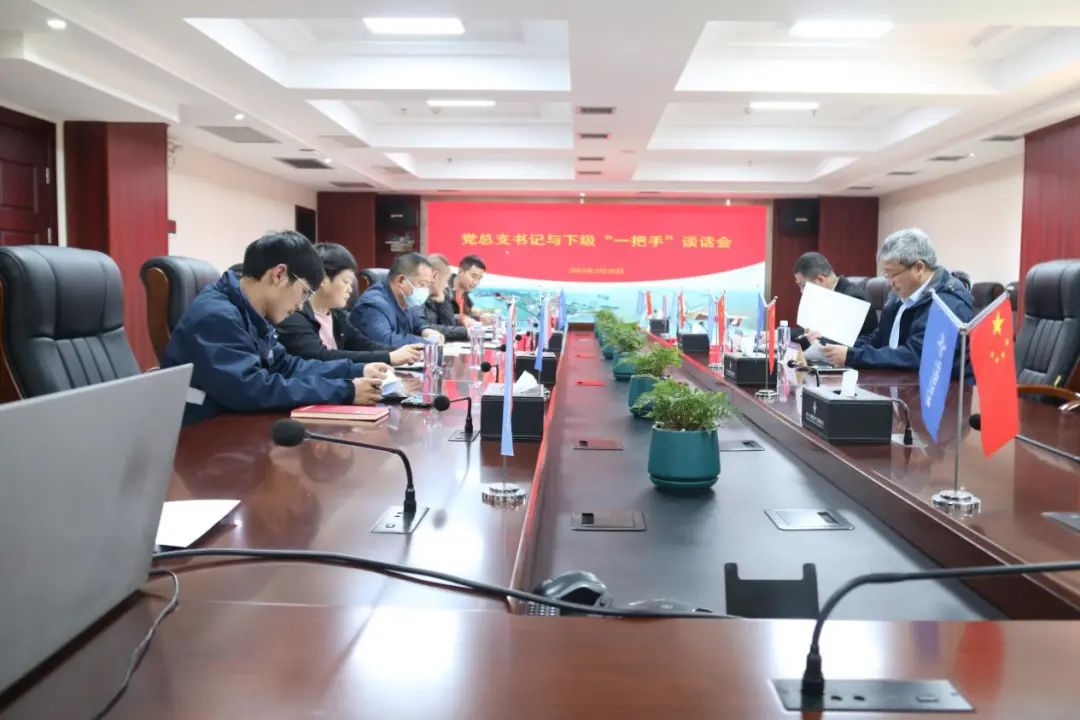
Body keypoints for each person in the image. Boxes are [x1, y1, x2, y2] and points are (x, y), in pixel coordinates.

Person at [162, 231, 388, 425]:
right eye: (304, 293)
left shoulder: (251, 311)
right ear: (279, 274)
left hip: (236, 422)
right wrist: (344, 390)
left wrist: (354, 371)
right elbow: (252, 389)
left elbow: (286, 365)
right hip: (203, 431)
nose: (300, 306)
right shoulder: (217, 315)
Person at [821, 228, 975, 371]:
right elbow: (879, 340)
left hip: (939, 389)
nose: (889, 282)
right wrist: (834, 346)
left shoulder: (947, 304)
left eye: (892, 274)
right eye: (886, 275)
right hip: (896, 382)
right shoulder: (899, 297)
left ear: (919, 268)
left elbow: (916, 357)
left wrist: (852, 356)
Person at [276, 243, 425, 366]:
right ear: (322, 279)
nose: (350, 289)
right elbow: (321, 357)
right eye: (345, 282)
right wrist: (389, 357)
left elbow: (363, 345)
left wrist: (401, 352)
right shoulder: (294, 315)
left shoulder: (337, 315)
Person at [351, 252, 446, 347]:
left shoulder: (406, 300)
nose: (425, 291)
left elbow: (417, 322)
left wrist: (426, 330)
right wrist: (428, 342)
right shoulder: (373, 305)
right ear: (401, 280)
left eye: (427, 285)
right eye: (422, 284)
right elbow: (385, 341)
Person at [793, 251, 878, 340]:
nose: (802, 292)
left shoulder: (854, 299)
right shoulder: (825, 297)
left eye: (803, 286)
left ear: (820, 280)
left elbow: (834, 342)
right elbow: (807, 332)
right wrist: (784, 333)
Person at [419, 254, 469, 341]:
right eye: (445, 280)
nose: (446, 285)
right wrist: (465, 331)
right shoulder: (417, 298)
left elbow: (449, 324)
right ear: (435, 276)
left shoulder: (437, 296)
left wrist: (443, 302)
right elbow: (423, 327)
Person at [450, 254, 488, 327]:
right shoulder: (443, 290)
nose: (476, 282)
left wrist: (480, 318)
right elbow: (443, 319)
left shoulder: (465, 292)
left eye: (479, 278)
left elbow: (466, 314)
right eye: (473, 276)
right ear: (460, 271)